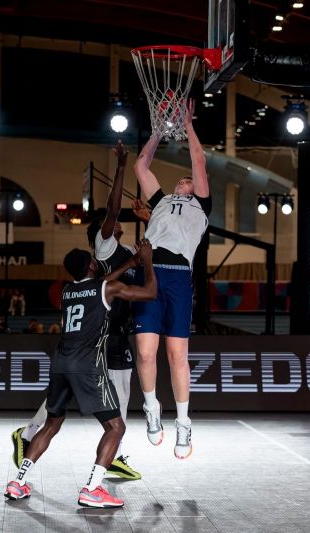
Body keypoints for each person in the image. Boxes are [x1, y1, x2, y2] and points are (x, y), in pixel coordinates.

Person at [11, 141, 142, 480]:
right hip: (99, 337)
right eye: (111, 222)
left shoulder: (128, 252)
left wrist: (149, 221)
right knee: (84, 394)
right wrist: (122, 167)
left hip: (116, 334)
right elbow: (113, 209)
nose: (116, 222)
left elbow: (145, 255)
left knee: (117, 393)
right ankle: (31, 433)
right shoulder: (104, 246)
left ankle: (112, 453)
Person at [4, 241, 156, 508]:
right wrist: (147, 260)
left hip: (60, 363)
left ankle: (18, 481)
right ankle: (92, 489)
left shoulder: (67, 291)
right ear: (92, 265)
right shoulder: (106, 288)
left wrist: (130, 263)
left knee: (51, 425)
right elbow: (150, 293)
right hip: (88, 366)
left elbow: (99, 284)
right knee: (116, 427)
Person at [132, 99, 211, 459]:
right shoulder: (161, 201)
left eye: (189, 180)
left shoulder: (201, 205)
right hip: (149, 273)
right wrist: (158, 132)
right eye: (181, 179)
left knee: (177, 355)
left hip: (179, 277)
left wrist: (187, 124)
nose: (185, 180)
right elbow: (140, 165)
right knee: (145, 352)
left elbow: (198, 159)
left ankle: (183, 422)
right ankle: (151, 408)